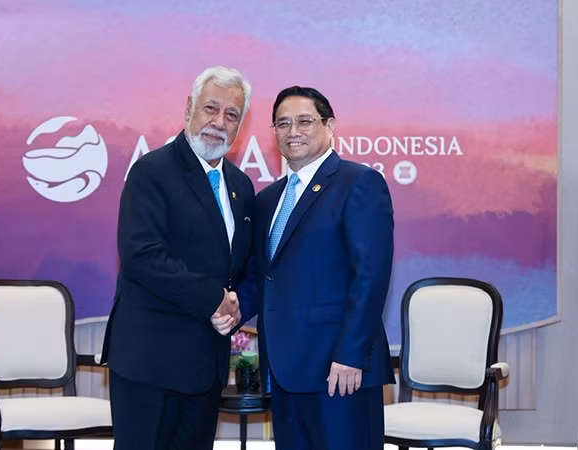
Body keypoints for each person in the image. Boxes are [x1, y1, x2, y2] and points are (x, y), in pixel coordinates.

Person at [100, 66, 254, 450]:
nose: (219, 122)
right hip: (150, 363)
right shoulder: (152, 171)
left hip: (206, 366)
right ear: (189, 108)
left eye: (231, 115)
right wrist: (213, 299)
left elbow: (244, 268)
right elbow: (142, 256)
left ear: (240, 125)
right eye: (211, 108)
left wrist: (238, 307)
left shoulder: (240, 186)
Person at [236, 85, 395, 450]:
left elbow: (369, 278)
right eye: (283, 123)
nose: (293, 131)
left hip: (339, 372)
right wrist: (230, 310)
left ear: (330, 126)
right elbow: (264, 279)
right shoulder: (267, 201)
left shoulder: (360, 183)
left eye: (305, 121)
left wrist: (350, 355)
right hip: (285, 372)